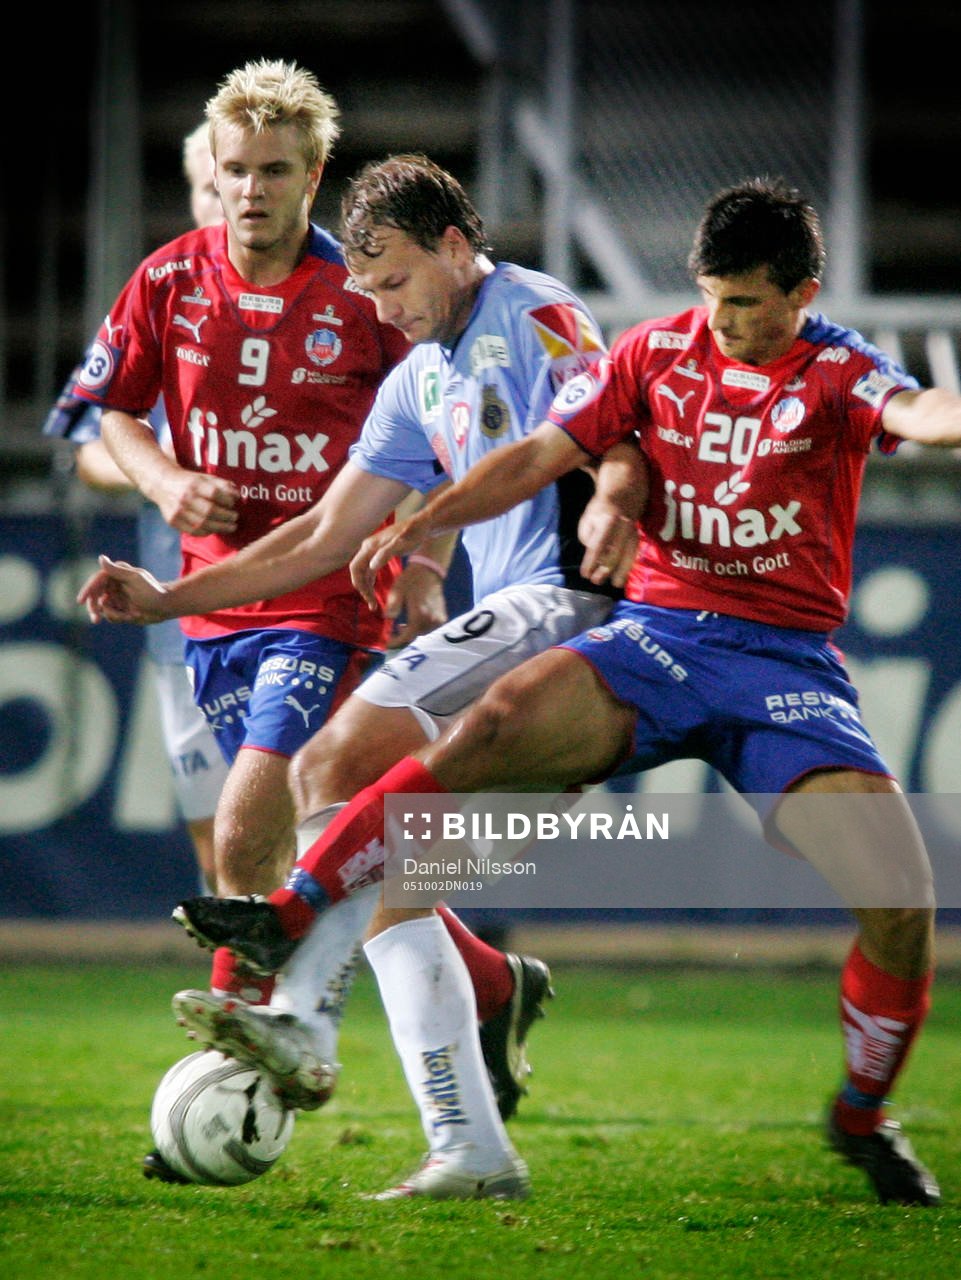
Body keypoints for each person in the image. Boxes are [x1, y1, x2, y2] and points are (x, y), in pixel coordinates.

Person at [170, 177, 961, 1208]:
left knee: (900, 902)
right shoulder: (654, 350)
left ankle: (859, 1118)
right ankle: (299, 926)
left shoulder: (836, 368)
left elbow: (919, 409)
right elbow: (543, 454)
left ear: (802, 294)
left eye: (747, 304)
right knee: (482, 734)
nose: (724, 322)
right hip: (655, 639)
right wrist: (424, 522)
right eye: (713, 297)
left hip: (778, 664)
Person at [78, 153, 644, 1197]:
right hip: (522, 623)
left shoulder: (538, 313)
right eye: (368, 288)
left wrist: (434, 524)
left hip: (577, 611)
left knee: (329, 767)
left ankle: (300, 1014)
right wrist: (168, 597)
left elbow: (604, 437)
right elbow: (320, 535)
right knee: (381, 868)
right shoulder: (415, 379)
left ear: (455, 248)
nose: (381, 305)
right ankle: (470, 1146)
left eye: (393, 281)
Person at [43, 122, 229, 893]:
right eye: (214, 185)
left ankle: (327, 956)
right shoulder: (159, 298)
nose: (233, 200)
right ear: (193, 194)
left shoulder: (325, 298)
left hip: (297, 605)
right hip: (177, 610)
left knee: (305, 810)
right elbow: (88, 451)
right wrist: (163, 475)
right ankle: (247, 961)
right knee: (214, 834)